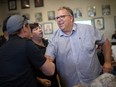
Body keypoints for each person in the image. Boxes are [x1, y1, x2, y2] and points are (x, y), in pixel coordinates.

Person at [45, 6, 112, 87]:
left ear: (71, 18)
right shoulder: (53, 38)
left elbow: (106, 42)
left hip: (95, 81)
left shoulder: (88, 30)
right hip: (71, 84)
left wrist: (107, 61)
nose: (59, 19)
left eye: (62, 16)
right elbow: (48, 58)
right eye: (57, 18)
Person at [0, 15, 55, 87]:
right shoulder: (26, 44)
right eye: (29, 27)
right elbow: (50, 71)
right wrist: (49, 60)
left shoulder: (2, 49)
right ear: (24, 28)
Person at [30, 23, 59, 87]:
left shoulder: (48, 42)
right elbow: (29, 70)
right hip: (42, 82)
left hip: (54, 80)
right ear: (31, 34)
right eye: (36, 29)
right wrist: (40, 80)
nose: (40, 30)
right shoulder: (31, 48)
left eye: (40, 28)